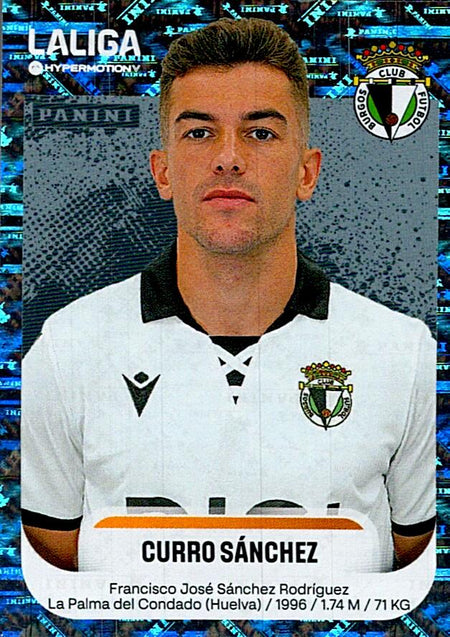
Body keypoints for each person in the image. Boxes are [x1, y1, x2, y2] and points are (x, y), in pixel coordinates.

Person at [21, 18, 435, 573]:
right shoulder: (68, 346)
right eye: (199, 133)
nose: (228, 158)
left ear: (307, 173)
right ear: (163, 172)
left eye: (260, 133)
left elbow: (419, 561)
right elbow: (48, 557)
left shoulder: (403, 353)